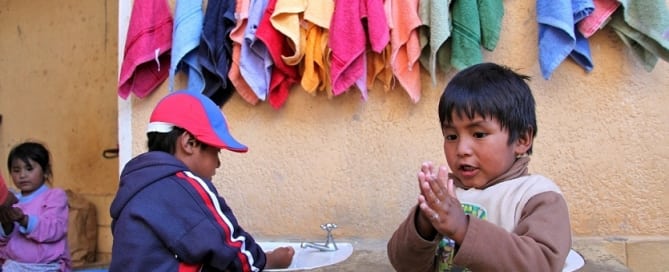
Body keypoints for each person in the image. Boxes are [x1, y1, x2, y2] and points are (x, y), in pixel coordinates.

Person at [387, 63, 572, 271]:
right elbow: (402, 264)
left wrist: (463, 229)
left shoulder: (537, 196)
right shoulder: (447, 193)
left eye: (479, 134)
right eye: (451, 136)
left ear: (522, 139)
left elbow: (542, 264)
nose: (462, 149)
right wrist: (424, 222)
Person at [109, 90, 295, 271]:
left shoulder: (137, 183)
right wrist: (269, 260)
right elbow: (228, 246)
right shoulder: (183, 186)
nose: (218, 163)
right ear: (189, 143)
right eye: (216, 152)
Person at [0, 141, 71, 271]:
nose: (22, 175)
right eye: (16, 170)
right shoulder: (10, 200)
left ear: (45, 171)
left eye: (29, 169)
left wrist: (24, 220)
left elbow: (55, 229)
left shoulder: (55, 196)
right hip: (14, 266)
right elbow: (3, 242)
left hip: (47, 267)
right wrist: (6, 225)